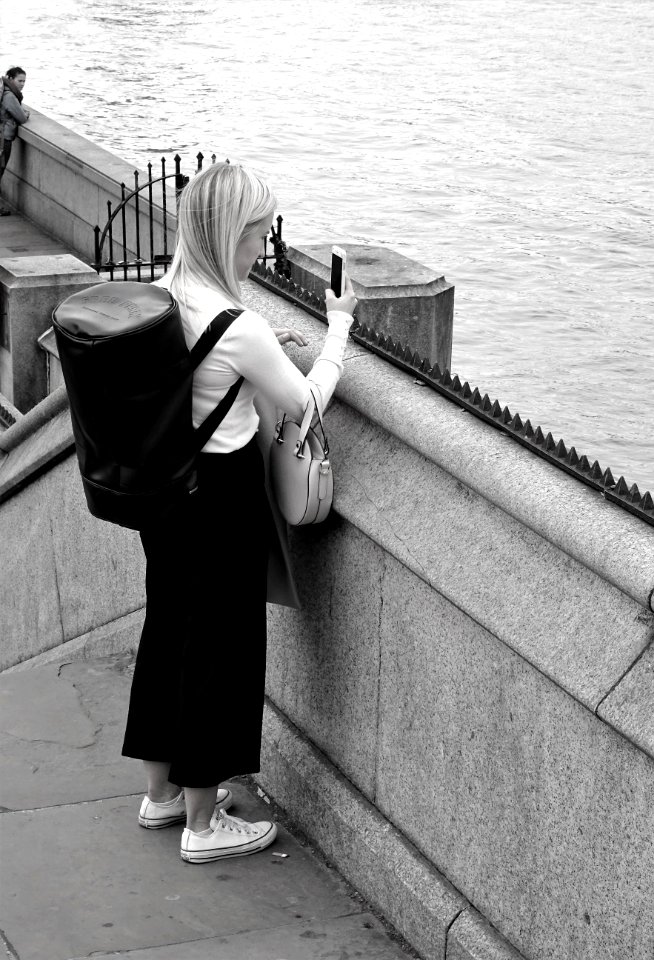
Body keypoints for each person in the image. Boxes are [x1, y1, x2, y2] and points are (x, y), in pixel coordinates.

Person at [121, 162, 357, 864]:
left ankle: (161, 795)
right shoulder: (240, 324)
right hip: (220, 498)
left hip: (165, 496)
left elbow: (202, 372)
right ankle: (203, 824)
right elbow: (305, 406)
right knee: (218, 649)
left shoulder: (165, 293)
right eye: (257, 237)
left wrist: (259, 358)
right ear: (229, 238)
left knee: (168, 631)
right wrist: (337, 330)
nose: (263, 251)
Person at [0, 67, 29, 216]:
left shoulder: (3, 91)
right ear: (10, 79)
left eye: (24, 81)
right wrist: (25, 113)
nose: (22, 84)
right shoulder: (10, 96)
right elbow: (22, 118)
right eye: (20, 80)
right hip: (4, 138)